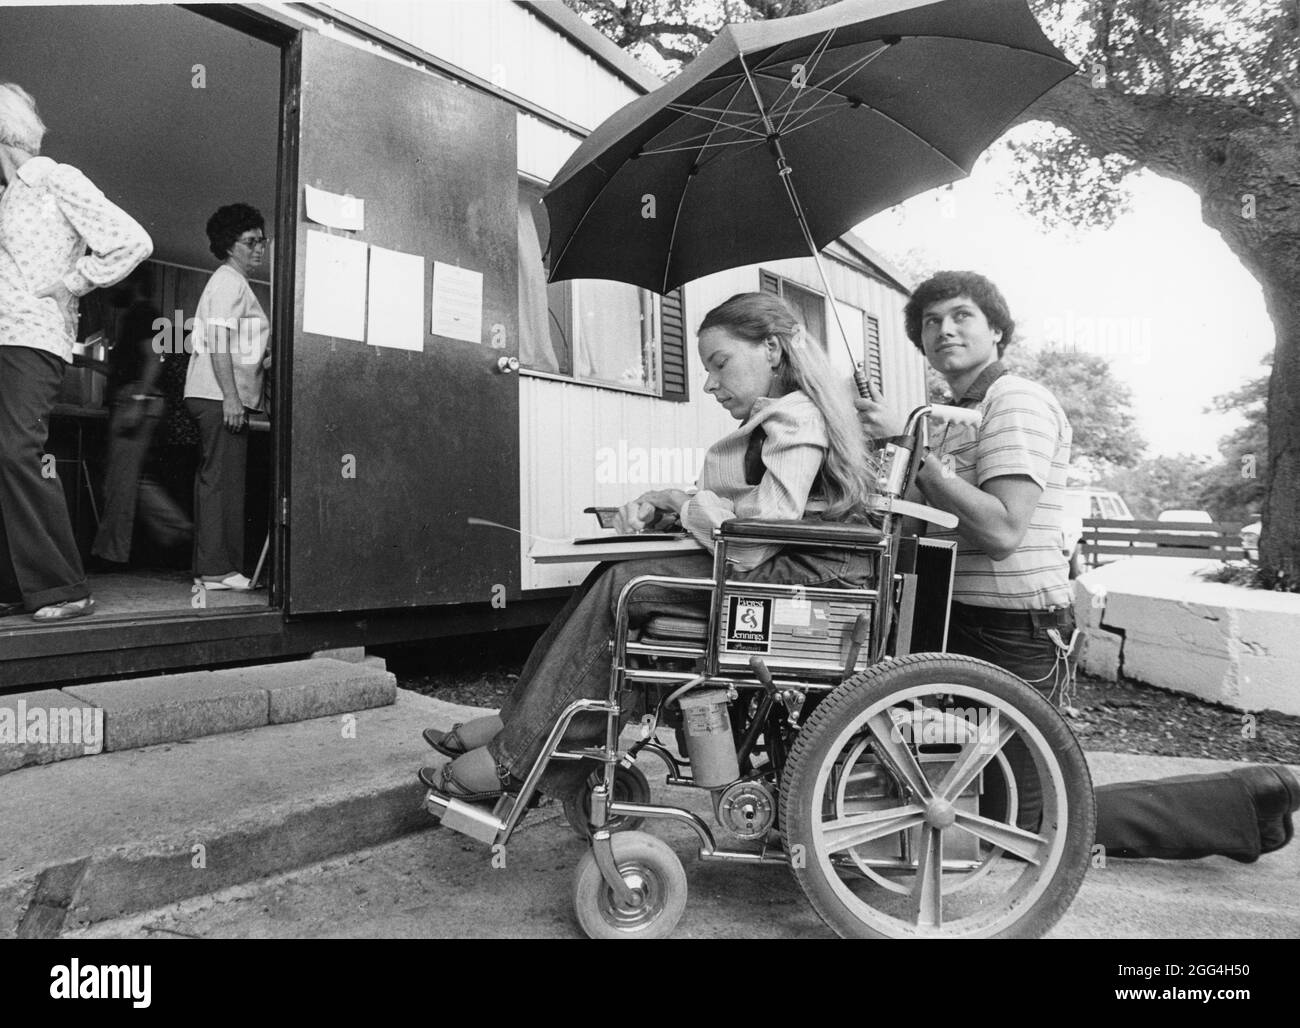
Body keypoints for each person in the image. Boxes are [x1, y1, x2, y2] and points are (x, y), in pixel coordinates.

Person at [855, 270, 1298, 862]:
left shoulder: (1015, 401)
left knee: (1034, 825)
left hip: (1013, 631)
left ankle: (1246, 797)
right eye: (931, 322)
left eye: (962, 315)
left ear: (998, 330)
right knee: (991, 800)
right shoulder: (954, 413)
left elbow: (1003, 529)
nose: (945, 330)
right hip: (959, 623)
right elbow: (940, 522)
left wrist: (917, 456)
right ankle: (1245, 810)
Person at [422, 291, 875, 801]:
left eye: (720, 363)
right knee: (609, 573)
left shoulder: (796, 419)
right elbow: (748, 512)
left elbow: (754, 541)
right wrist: (669, 501)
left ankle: (515, 759)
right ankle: (519, 725)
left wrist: (683, 505)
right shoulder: (783, 416)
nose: (709, 383)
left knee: (627, 585)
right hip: (794, 566)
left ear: (771, 349)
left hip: (810, 581)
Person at [0, 82, 152, 622]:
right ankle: (18, 585)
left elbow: (132, 240)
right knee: (4, 456)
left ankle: (64, 587)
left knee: (18, 451)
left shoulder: (55, 179)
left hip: (33, 336)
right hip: (3, 337)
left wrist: (74, 281)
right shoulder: (7, 194)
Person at [184, 203, 271, 592]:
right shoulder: (228, 281)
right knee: (221, 482)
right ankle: (217, 569)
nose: (259, 249)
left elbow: (236, 344)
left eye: (262, 242)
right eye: (250, 242)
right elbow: (219, 342)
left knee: (224, 481)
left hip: (220, 394)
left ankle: (217, 567)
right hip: (219, 396)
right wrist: (232, 399)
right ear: (229, 245)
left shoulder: (234, 283)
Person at [90, 265, 192, 565]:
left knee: (119, 481)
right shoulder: (137, 316)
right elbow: (125, 367)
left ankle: (110, 555)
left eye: (117, 280)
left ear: (132, 282)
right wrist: (85, 361)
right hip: (139, 397)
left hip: (137, 398)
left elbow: (154, 359)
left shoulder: (143, 313)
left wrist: (137, 399)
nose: (111, 287)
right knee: (128, 479)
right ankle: (179, 532)